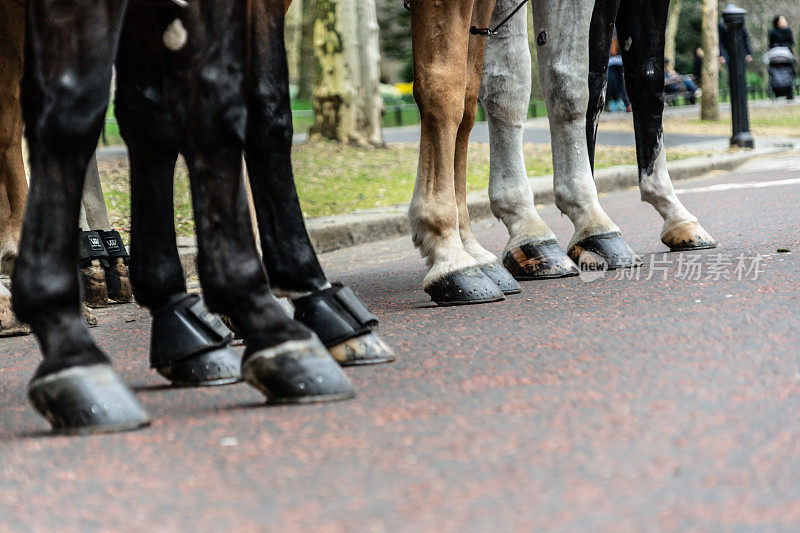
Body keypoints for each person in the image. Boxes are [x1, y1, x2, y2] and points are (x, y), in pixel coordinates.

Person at [606, 33, 631, 112]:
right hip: (610, 63)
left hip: (621, 62)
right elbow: (612, 51)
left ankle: (627, 104)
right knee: (611, 81)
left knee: (624, 83)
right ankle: (610, 102)